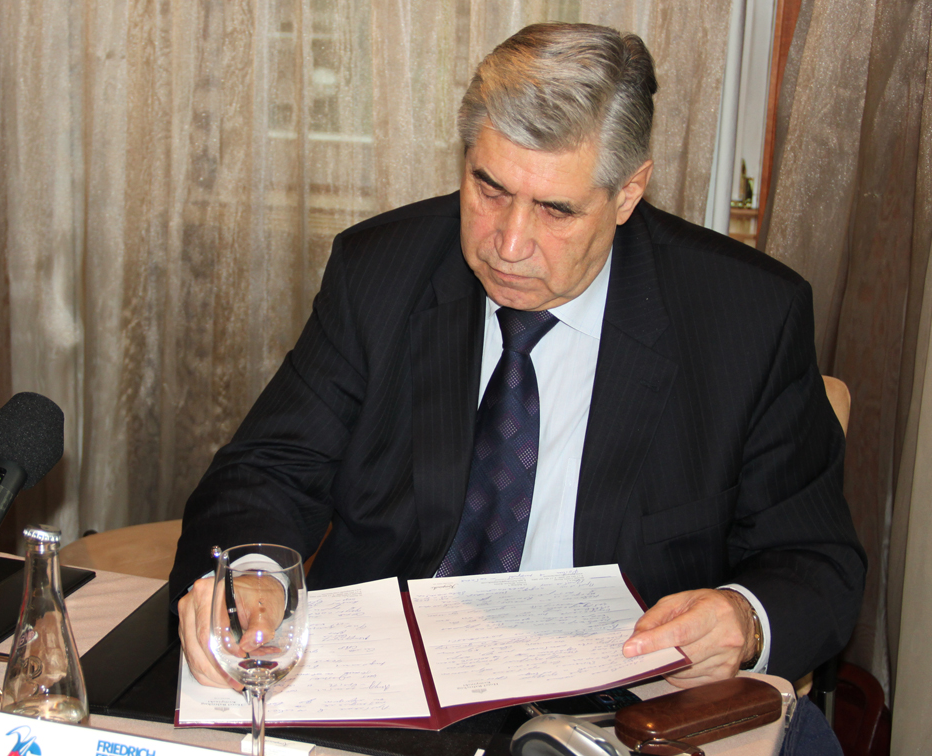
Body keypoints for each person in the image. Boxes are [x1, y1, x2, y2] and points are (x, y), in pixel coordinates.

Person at [170, 23, 865, 693]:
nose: (508, 243)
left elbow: (814, 561)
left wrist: (744, 619)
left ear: (628, 193)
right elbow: (268, 469)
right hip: (382, 685)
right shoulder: (379, 271)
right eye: (490, 189)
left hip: (610, 706)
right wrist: (252, 573)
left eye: (555, 210)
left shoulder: (747, 319)